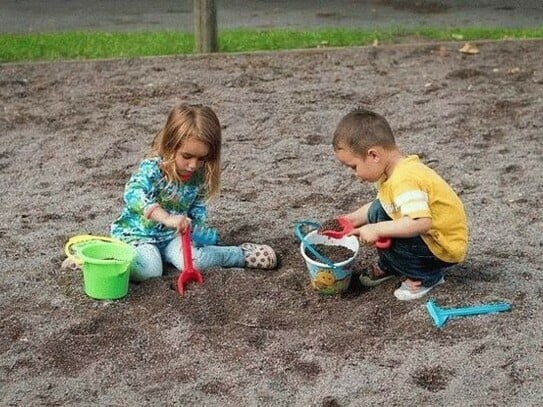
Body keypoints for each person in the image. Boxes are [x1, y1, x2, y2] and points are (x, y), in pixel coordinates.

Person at [110, 103, 277, 282]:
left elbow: (197, 209)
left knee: (196, 260)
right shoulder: (153, 169)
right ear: (170, 145)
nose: (193, 165)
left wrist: (195, 231)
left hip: (173, 236)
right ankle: (102, 259)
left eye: (202, 158)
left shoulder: (199, 174)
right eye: (187, 156)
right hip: (139, 235)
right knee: (150, 271)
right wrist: (166, 218)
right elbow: (133, 193)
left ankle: (241, 255)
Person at [331, 108, 468, 300]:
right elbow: (383, 205)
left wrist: (377, 229)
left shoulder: (405, 179)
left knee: (390, 232)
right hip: (429, 236)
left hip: (441, 246)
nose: (354, 173)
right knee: (380, 210)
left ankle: (427, 277)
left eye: (353, 166)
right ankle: (392, 265)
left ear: (373, 155)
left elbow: (420, 222)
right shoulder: (390, 172)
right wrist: (350, 220)